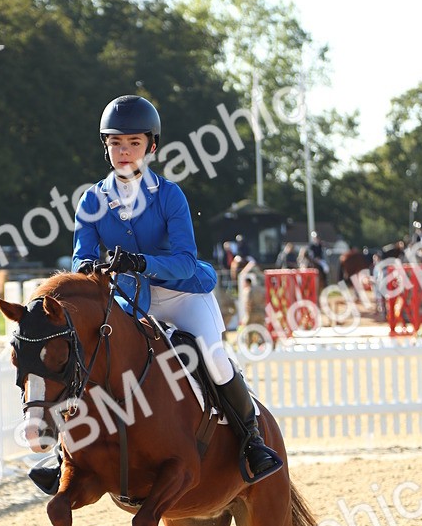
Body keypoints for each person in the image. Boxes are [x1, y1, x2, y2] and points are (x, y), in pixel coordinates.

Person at [28, 94, 283, 494]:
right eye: (115, 143)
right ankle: (63, 456)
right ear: (106, 147)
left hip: (183, 296)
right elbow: (81, 258)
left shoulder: (169, 196)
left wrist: (141, 262)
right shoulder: (92, 200)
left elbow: (184, 260)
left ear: (151, 146)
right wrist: (90, 270)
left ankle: (252, 442)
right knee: (90, 362)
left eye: (133, 143)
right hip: (130, 301)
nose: (124, 151)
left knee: (214, 360)